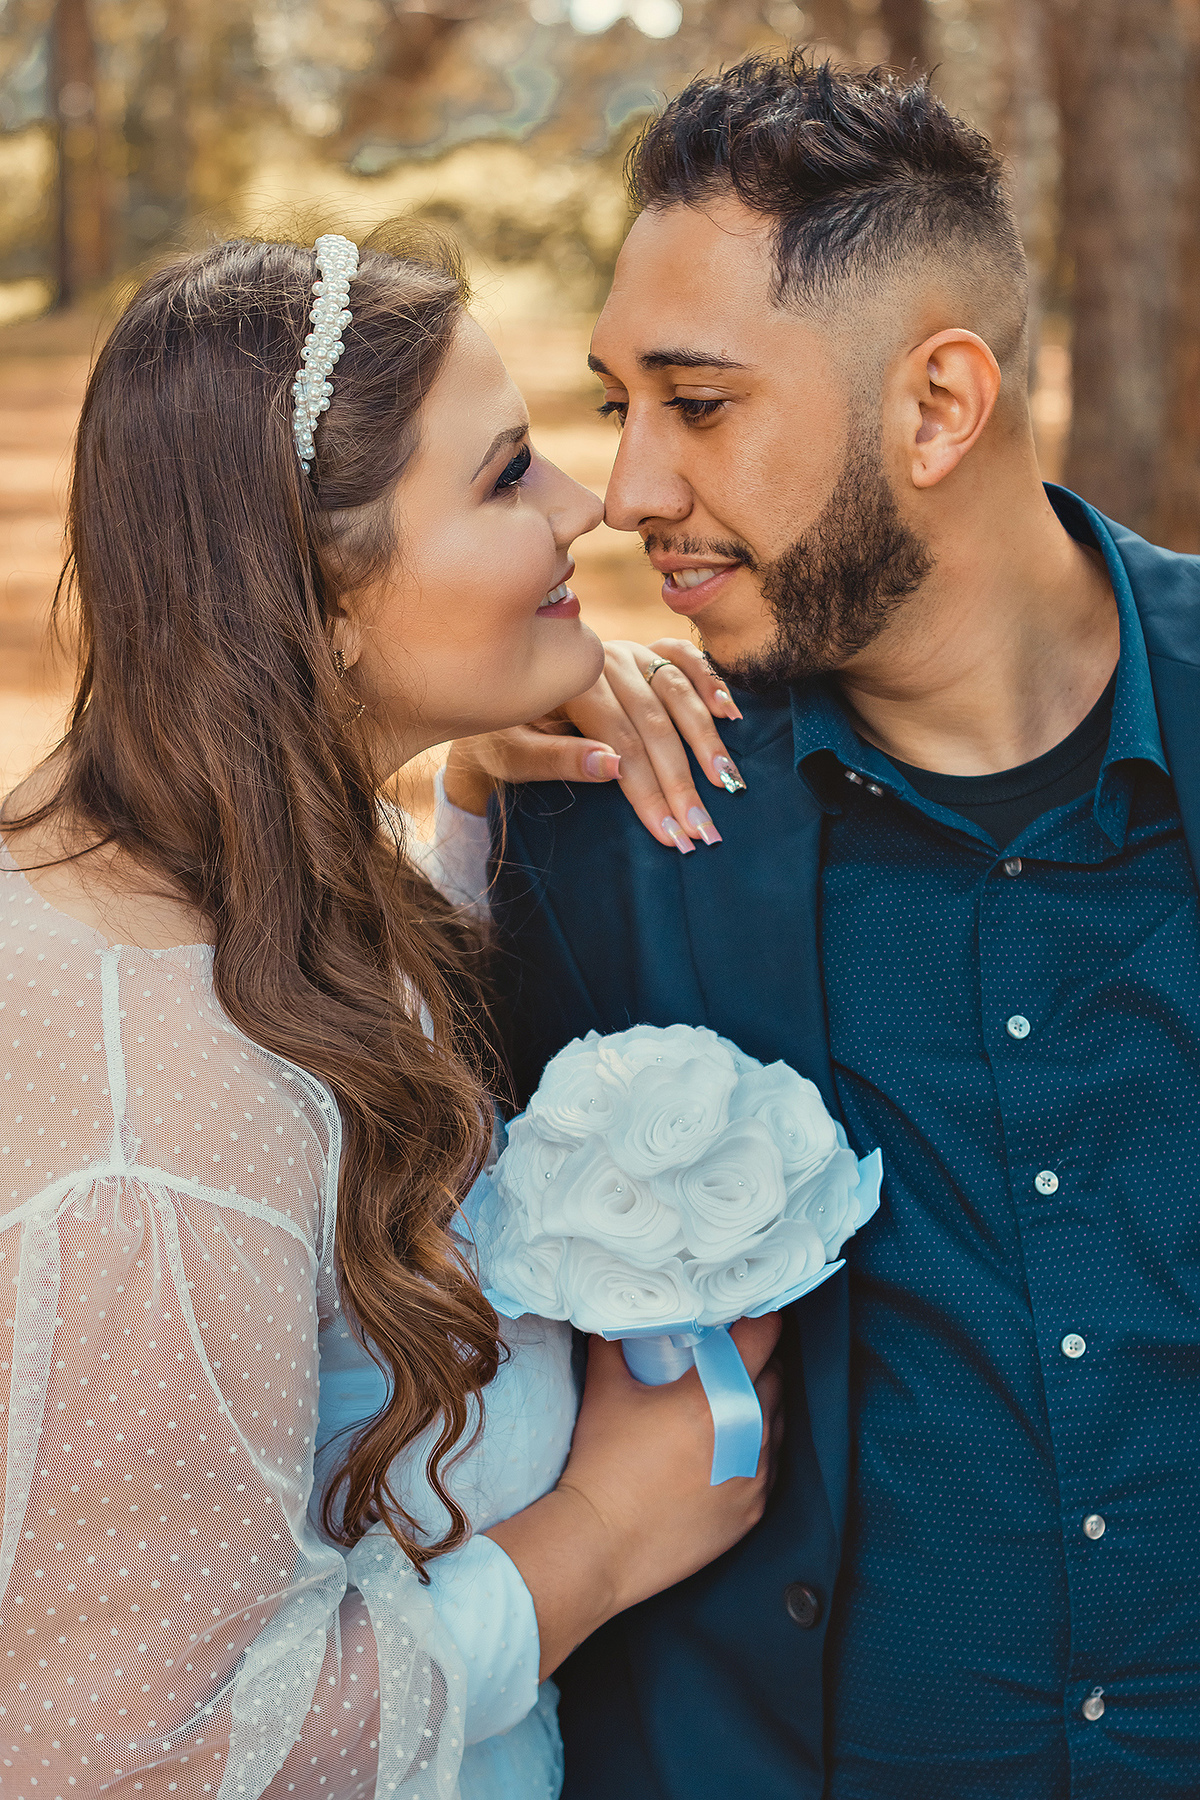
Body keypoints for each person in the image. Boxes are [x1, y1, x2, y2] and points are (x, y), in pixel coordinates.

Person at [474, 53, 1200, 1800]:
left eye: (698, 405)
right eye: (617, 406)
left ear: (939, 406)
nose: (629, 490)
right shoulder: (592, 821)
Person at [0, 227, 783, 1798]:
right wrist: (601, 1538)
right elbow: (132, 1755)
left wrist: (467, 787)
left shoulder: (210, 883)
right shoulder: (155, 1134)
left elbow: (347, 1103)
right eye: (506, 479)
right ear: (320, 597)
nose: (588, 504)